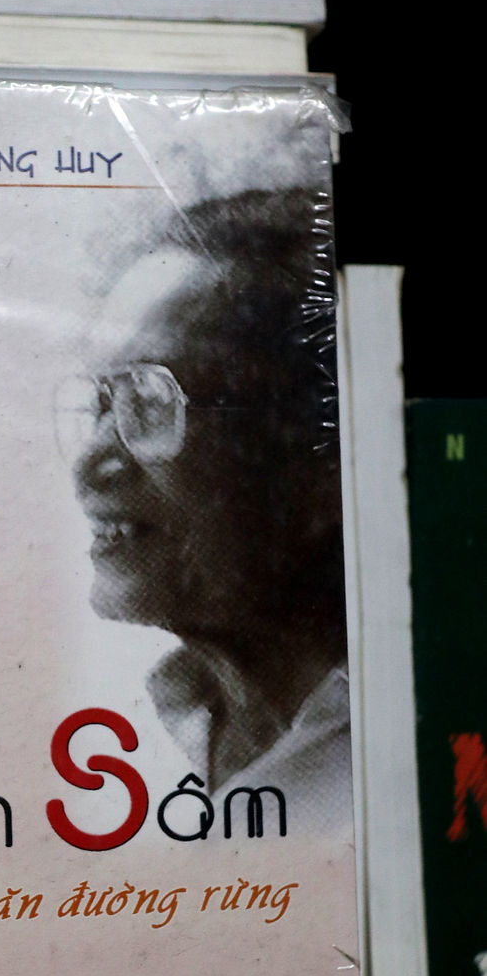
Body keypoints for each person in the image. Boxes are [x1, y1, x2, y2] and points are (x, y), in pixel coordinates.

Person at [57, 185, 351, 831]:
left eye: (149, 401)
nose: (88, 464)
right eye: (100, 403)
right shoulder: (124, 741)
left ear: (321, 460)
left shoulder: (413, 756)